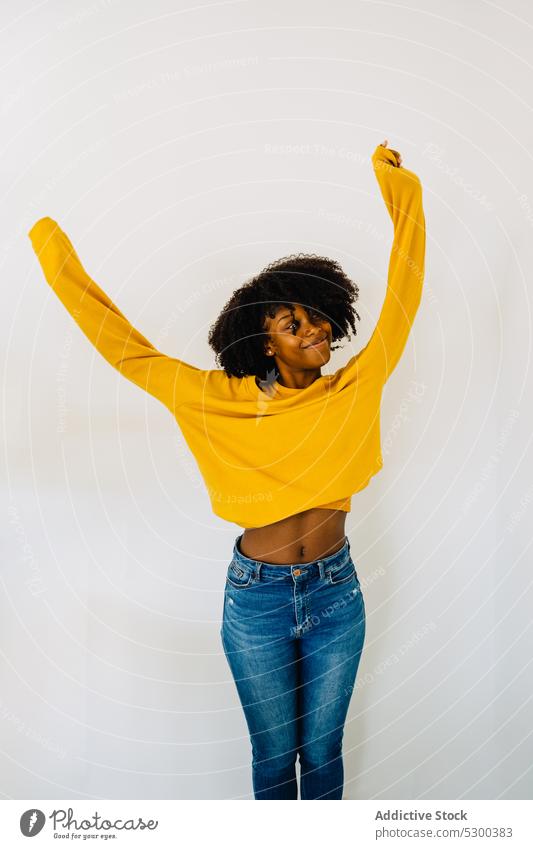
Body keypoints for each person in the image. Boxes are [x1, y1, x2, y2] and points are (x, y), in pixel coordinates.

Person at [28, 139, 426, 799]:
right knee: (274, 758)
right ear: (259, 339)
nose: (313, 329)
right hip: (257, 597)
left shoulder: (358, 383)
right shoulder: (212, 398)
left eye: (318, 316)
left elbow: (406, 283)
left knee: (322, 755)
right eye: (290, 321)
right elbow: (123, 347)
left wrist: (397, 188)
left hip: (337, 591)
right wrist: (51, 251)